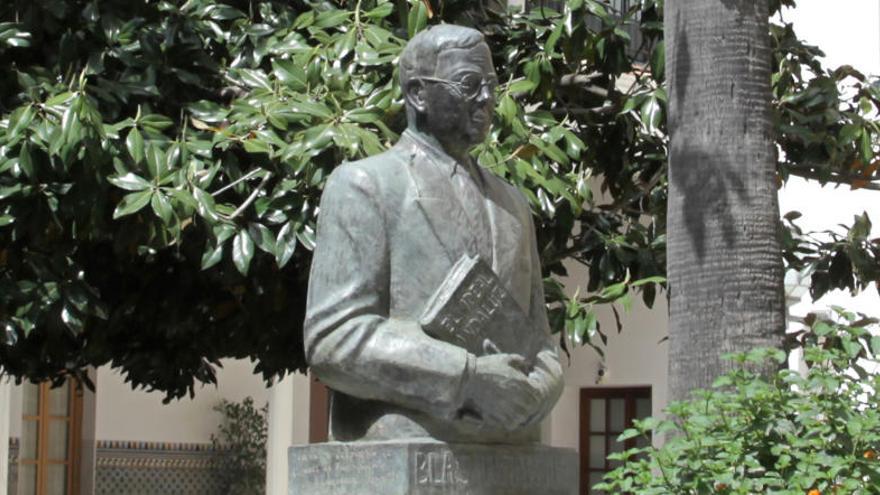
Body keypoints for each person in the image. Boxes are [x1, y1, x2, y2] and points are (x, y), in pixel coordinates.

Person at [303, 24, 563, 444]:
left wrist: (540, 390)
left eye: (491, 85)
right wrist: (468, 378)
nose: (487, 98)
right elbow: (333, 339)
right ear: (418, 94)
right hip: (403, 445)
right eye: (469, 84)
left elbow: (541, 342)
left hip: (512, 453)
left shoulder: (513, 204)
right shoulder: (365, 186)